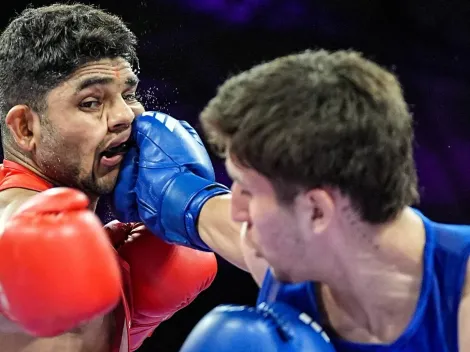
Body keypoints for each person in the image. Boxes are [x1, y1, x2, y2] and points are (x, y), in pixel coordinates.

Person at [114, 50, 470, 351]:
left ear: (316, 210)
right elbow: (195, 205)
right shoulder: (284, 247)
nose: (237, 209)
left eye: (248, 191)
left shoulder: (460, 297)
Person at [0, 4, 218, 352]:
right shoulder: (22, 221)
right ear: (26, 128)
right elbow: (12, 226)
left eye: (128, 94)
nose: (124, 115)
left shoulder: (99, 249)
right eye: (90, 102)